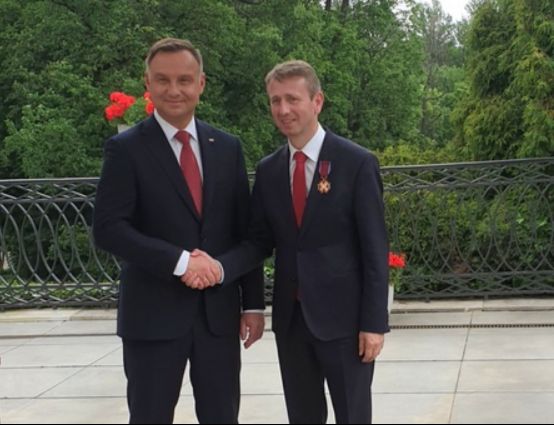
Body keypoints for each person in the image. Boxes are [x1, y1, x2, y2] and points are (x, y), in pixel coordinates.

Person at [186, 60, 389, 424]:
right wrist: (219, 267)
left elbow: (375, 250)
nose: (283, 109)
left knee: (353, 415)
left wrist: (374, 323)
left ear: (317, 101)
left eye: (292, 99)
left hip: (345, 323)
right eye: (275, 100)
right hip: (292, 322)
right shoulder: (269, 170)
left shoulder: (356, 163)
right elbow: (257, 242)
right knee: (302, 416)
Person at [93, 38, 265, 424]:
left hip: (217, 319)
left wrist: (252, 304)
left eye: (184, 80)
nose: (174, 90)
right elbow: (108, 229)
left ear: (201, 84)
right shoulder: (125, 149)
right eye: (163, 80)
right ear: (147, 83)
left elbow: (249, 235)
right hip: (152, 319)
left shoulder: (228, 147)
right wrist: (181, 262)